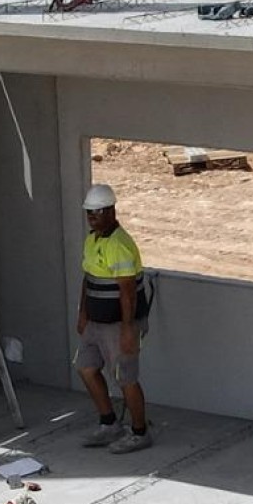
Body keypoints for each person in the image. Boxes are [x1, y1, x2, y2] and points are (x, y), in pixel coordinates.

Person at [76, 181, 153, 453]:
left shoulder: (119, 244)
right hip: (96, 322)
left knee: (125, 378)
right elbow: (88, 279)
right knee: (86, 367)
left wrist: (128, 329)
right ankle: (109, 424)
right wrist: (83, 313)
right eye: (89, 213)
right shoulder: (92, 239)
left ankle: (139, 432)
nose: (92, 217)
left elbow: (128, 292)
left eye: (96, 212)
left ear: (111, 211)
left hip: (119, 324)